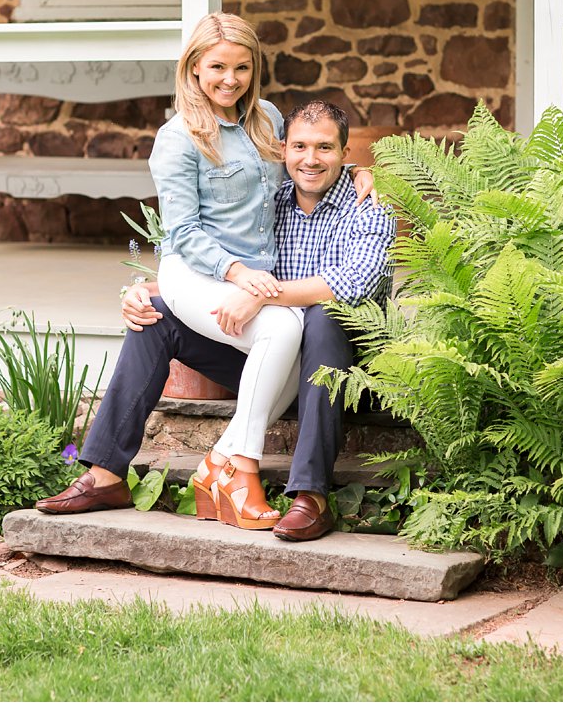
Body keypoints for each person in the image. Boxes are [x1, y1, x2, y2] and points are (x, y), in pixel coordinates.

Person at [37, 95, 393, 540]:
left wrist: (261, 298)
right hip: (274, 357)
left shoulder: (369, 205)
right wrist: (145, 290)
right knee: (159, 315)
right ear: (282, 151)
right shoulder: (272, 206)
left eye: (325, 148)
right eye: (300, 146)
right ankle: (106, 474)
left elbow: (355, 283)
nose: (311, 159)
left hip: (338, 375)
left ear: (345, 153)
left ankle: (311, 496)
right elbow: (221, 260)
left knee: (324, 317)